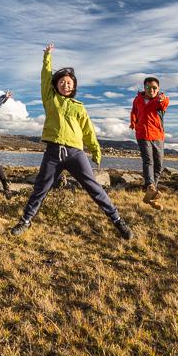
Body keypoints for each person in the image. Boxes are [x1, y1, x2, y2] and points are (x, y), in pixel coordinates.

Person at [10, 43, 132, 240]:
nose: (65, 85)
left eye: (69, 83)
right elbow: (45, 77)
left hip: (76, 153)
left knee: (94, 187)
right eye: (62, 82)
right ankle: (25, 221)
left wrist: (95, 150)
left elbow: (88, 130)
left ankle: (118, 221)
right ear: (56, 84)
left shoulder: (79, 107)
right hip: (53, 152)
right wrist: (47, 57)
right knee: (41, 188)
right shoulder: (50, 99)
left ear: (74, 86)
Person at [130, 76, 170, 210]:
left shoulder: (160, 100)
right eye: (148, 87)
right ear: (144, 88)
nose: (151, 90)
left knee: (158, 165)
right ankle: (150, 186)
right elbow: (134, 112)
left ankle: (150, 194)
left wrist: (162, 98)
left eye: (154, 88)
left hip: (158, 136)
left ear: (158, 89)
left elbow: (164, 103)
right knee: (148, 161)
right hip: (142, 135)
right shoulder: (138, 100)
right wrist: (133, 122)